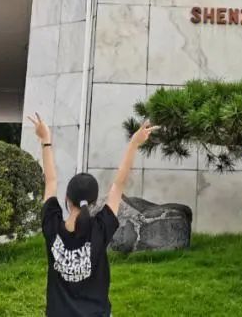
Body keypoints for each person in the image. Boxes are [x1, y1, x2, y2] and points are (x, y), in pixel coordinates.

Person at [29, 111, 157, 317]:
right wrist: (134, 144)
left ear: (67, 199)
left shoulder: (51, 226)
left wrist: (46, 140)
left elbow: (51, 181)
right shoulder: (100, 229)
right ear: (95, 202)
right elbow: (118, 184)